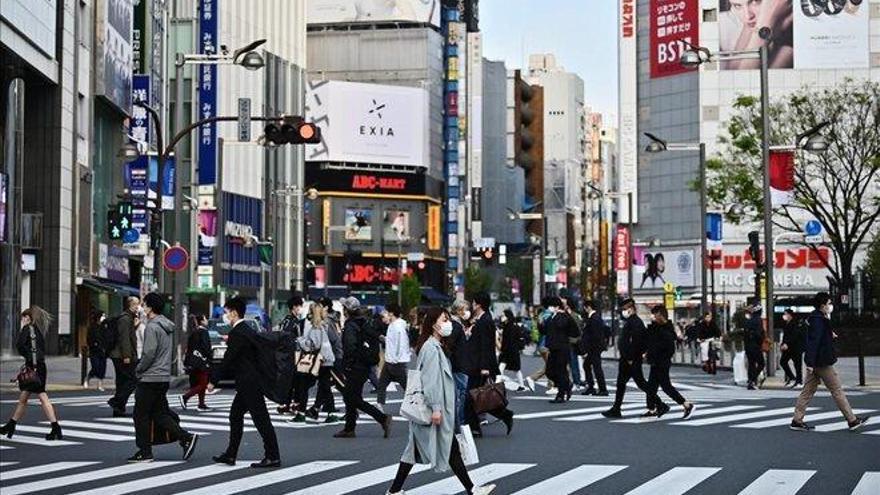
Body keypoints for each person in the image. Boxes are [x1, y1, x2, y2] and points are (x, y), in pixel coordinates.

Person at [386, 308, 496, 495]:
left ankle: (395, 491)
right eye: (444, 319)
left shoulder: (436, 346)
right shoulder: (431, 349)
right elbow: (430, 381)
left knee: (419, 451)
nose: (448, 324)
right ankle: (473, 489)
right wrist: (436, 408)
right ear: (434, 324)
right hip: (434, 408)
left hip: (435, 408)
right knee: (446, 449)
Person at [209, 296, 281, 468]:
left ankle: (272, 456)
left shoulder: (238, 333)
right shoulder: (247, 330)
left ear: (234, 313)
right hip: (250, 382)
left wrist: (213, 381)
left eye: (226, 313)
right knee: (236, 415)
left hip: (249, 383)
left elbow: (228, 359)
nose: (226, 316)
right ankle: (231, 454)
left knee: (261, 419)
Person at [129, 293, 199, 463]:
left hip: (150, 377)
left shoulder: (152, 327)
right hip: (163, 377)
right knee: (160, 414)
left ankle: (145, 451)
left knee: (140, 415)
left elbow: (149, 353)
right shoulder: (166, 326)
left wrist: (139, 369)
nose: (142, 308)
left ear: (150, 308)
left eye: (144, 304)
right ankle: (185, 438)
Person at [790, 292, 869, 432]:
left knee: (807, 391)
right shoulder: (818, 320)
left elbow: (816, 337)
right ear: (822, 305)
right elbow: (814, 342)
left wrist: (829, 334)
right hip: (822, 362)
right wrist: (810, 363)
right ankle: (852, 420)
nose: (830, 305)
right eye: (829, 303)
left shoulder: (816, 317)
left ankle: (797, 420)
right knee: (837, 390)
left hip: (816, 362)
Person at [333, 297, 393, 439]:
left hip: (355, 367)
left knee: (351, 397)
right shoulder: (365, 322)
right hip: (365, 365)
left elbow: (349, 347)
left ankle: (382, 418)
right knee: (352, 396)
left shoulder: (350, 326)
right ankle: (349, 428)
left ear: (347, 310)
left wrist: (346, 365)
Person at [1, 306, 63, 441]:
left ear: (27, 318)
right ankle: (11, 424)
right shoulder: (37, 331)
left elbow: (20, 345)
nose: (22, 320)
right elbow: (41, 349)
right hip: (40, 366)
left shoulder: (26, 329)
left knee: (41, 397)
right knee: (25, 398)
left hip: (33, 367)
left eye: (23, 317)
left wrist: (28, 357)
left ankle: (55, 427)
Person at [465, 292, 514, 437]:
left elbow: (487, 345)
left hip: (480, 366)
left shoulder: (485, 320)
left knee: (471, 397)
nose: (472, 305)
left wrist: (485, 367)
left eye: (473, 303)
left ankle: (474, 427)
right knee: (479, 396)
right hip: (477, 364)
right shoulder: (481, 319)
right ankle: (504, 414)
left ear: (478, 304)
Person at [642, 306, 696, 419]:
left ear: (660, 315)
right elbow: (650, 341)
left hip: (662, 363)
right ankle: (652, 409)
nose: (653, 317)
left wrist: (658, 356)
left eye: (655, 314)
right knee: (651, 387)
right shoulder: (656, 327)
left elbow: (669, 349)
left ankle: (686, 404)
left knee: (666, 386)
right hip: (655, 362)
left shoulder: (666, 330)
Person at [603, 298, 652, 418]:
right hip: (628, 358)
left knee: (640, 383)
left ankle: (660, 404)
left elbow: (637, 342)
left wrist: (630, 357)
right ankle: (616, 408)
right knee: (622, 383)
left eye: (625, 309)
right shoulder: (632, 321)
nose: (623, 312)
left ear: (631, 309)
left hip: (630, 359)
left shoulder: (635, 322)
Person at [539, 296, 580, 404]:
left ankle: (560, 395)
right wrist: (540, 323)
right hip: (552, 348)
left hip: (562, 348)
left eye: (551, 306)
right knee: (549, 371)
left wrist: (566, 336)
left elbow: (575, 331)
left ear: (557, 306)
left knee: (560, 371)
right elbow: (544, 330)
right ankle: (567, 385)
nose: (550, 308)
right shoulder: (552, 317)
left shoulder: (564, 316)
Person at [309, 297, 342, 422]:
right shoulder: (322, 324)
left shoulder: (324, 325)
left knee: (336, 385)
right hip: (326, 359)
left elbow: (333, 341)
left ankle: (351, 408)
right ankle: (320, 409)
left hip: (328, 359)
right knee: (324, 384)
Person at [108, 296, 140, 417]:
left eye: (138, 304)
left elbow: (128, 335)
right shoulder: (125, 318)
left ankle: (118, 409)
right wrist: (127, 356)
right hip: (121, 355)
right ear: (129, 305)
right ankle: (116, 401)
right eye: (135, 304)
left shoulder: (129, 318)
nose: (138, 306)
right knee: (132, 380)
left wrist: (135, 325)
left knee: (122, 382)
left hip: (120, 355)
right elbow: (124, 338)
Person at [447, 299, 475, 430]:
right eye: (465, 309)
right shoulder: (455, 325)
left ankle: (459, 422)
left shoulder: (456, 324)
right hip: (459, 364)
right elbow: (451, 345)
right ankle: (460, 422)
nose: (467, 312)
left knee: (459, 393)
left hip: (458, 364)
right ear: (458, 310)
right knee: (461, 393)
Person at [377, 302, 410, 410]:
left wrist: (395, 359)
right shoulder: (392, 325)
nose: (384, 314)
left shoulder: (398, 327)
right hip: (390, 360)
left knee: (406, 386)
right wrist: (385, 339)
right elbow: (393, 342)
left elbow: (401, 344)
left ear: (391, 313)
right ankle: (379, 404)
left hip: (396, 362)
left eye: (386, 312)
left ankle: (416, 405)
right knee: (382, 383)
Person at [276, 296, 305, 415]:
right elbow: (297, 339)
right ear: (294, 307)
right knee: (296, 380)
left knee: (287, 380)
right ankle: (295, 403)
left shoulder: (284, 321)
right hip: (293, 354)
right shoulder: (295, 323)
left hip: (284, 354)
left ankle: (285, 404)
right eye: (299, 306)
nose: (300, 309)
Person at [179, 314, 212, 411]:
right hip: (202, 361)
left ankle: (201, 404)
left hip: (194, 362)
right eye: (205, 319)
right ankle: (185, 397)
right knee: (203, 383)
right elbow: (206, 347)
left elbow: (189, 348)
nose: (207, 321)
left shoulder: (194, 332)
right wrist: (209, 357)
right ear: (202, 321)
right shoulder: (204, 332)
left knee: (201, 382)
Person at [580, 300, 608, 396]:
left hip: (595, 347)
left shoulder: (594, 318)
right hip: (594, 347)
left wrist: (588, 348)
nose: (584, 309)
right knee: (587, 365)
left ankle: (602, 389)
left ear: (588, 307)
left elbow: (595, 335)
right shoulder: (593, 317)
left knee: (596, 367)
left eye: (585, 307)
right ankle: (592, 387)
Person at [498, 309, 526, 391]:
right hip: (510, 351)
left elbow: (510, 341)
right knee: (505, 368)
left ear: (508, 317)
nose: (501, 317)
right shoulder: (509, 326)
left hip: (510, 351)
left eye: (503, 316)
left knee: (514, 369)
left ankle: (521, 385)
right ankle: (521, 385)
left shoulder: (510, 327)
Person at [779, 309, 804, 388]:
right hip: (787, 348)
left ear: (790, 315)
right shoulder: (786, 323)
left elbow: (794, 335)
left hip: (795, 347)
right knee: (783, 362)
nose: (784, 316)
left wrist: (787, 343)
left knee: (797, 365)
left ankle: (799, 381)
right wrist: (782, 344)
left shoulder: (795, 323)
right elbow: (785, 336)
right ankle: (792, 378)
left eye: (785, 314)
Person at [744, 303, 766, 390]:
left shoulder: (749, 320)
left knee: (751, 364)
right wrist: (761, 341)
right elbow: (759, 333)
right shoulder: (758, 320)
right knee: (761, 363)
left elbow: (745, 334)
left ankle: (750, 381)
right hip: (755, 345)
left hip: (748, 345)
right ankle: (753, 379)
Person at [84, 310, 108, 391]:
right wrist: (93, 344)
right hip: (94, 350)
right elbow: (89, 339)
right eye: (102, 316)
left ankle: (100, 384)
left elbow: (107, 338)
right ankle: (87, 378)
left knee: (102, 367)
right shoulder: (92, 327)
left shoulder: (104, 327)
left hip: (103, 351)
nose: (104, 317)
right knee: (95, 367)